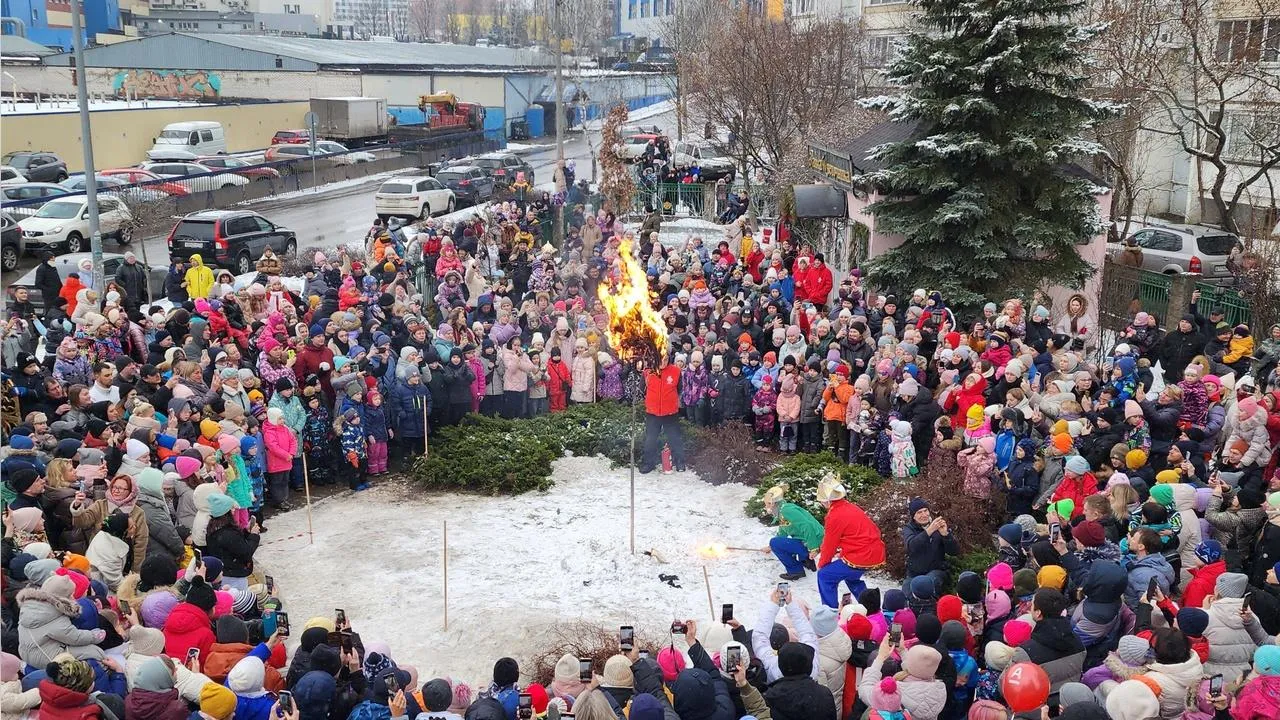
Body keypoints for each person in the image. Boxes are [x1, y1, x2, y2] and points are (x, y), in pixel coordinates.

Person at [815, 475, 885, 607]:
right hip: (875, 552)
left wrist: (822, 564)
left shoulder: (834, 515)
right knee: (852, 578)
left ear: (827, 501)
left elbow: (829, 544)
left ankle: (830, 612)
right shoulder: (851, 507)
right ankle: (870, 608)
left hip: (860, 556)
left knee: (825, 576)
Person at [760, 484, 825, 580]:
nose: (766, 506)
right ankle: (806, 560)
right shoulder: (782, 510)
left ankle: (795, 571)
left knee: (774, 542)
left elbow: (807, 526)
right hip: (809, 539)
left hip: (816, 540)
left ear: (772, 503)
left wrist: (813, 548)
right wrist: (770, 548)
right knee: (778, 542)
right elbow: (783, 530)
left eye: (767, 504)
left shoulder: (786, 510)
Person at [901, 498, 959, 595]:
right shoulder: (909, 528)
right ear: (913, 516)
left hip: (936, 571)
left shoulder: (938, 525)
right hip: (914, 573)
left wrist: (946, 535)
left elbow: (954, 551)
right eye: (919, 512)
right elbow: (911, 546)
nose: (924, 515)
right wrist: (929, 531)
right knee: (906, 593)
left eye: (925, 511)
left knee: (928, 583)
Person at [641, 355, 684, 474]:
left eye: (665, 359)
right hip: (653, 412)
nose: (663, 362)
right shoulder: (648, 372)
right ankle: (648, 463)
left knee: (675, 438)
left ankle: (679, 461)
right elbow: (642, 389)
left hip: (670, 412)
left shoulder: (676, 371)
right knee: (650, 439)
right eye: (660, 359)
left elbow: (679, 388)